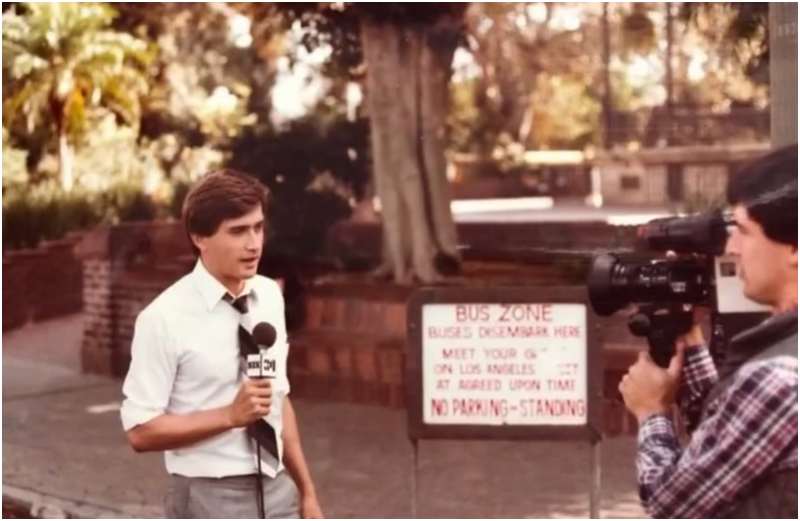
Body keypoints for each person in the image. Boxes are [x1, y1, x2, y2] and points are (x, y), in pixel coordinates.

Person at [120, 169, 323, 519]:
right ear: (200, 237)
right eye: (238, 231)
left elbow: (277, 400)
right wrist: (229, 416)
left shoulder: (269, 296)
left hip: (278, 491)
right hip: (208, 497)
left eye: (258, 227)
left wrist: (307, 492)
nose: (254, 243)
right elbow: (140, 431)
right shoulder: (163, 318)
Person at [619, 144, 798, 518]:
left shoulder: (779, 378)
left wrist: (652, 412)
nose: (730, 248)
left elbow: (670, 502)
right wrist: (689, 337)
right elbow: (734, 438)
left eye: (744, 232)